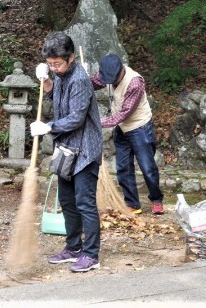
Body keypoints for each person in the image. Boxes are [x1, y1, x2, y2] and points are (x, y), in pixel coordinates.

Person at [31, 31, 103, 273]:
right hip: (66, 148)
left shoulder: (80, 80)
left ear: (70, 58)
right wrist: (47, 81)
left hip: (85, 150)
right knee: (67, 201)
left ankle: (91, 254)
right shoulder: (61, 75)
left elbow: (76, 118)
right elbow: (57, 96)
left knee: (84, 203)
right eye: (50, 64)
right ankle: (73, 248)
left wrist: (48, 126)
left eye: (57, 64)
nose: (54, 68)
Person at [90, 53, 164, 215]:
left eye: (112, 79)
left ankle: (157, 199)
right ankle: (133, 203)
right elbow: (93, 83)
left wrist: (97, 122)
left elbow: (124, 114)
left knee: (147, 167)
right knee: (123, 167)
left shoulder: (134, 83)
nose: (108, 82)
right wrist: (81, 83)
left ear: (121, 71)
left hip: (139, 127)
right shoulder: (106, 74)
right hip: (122, 129)